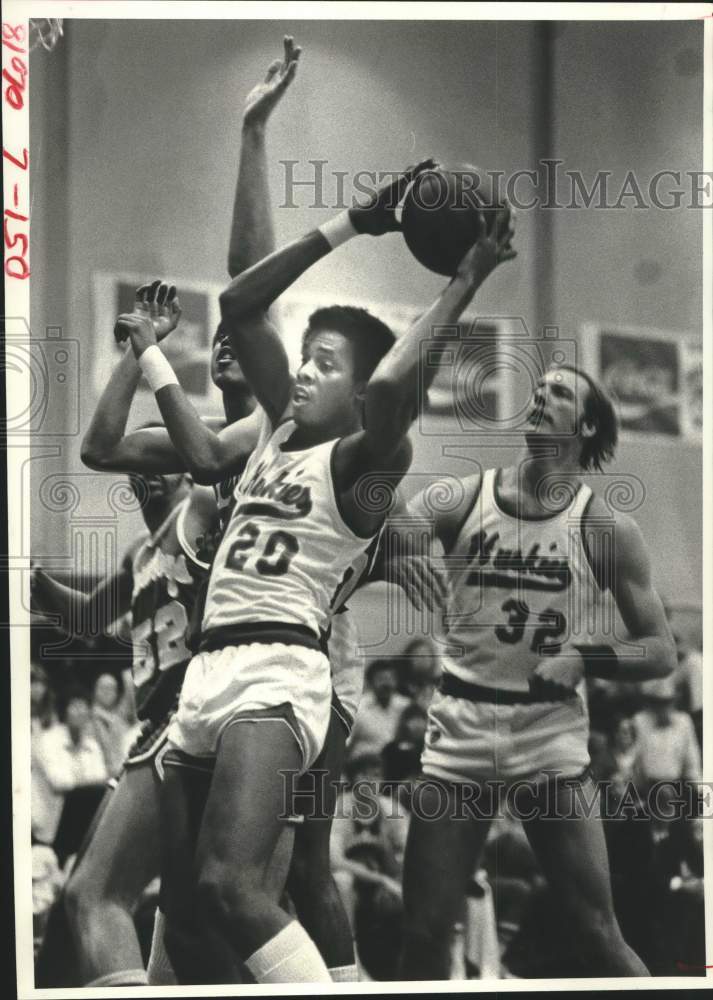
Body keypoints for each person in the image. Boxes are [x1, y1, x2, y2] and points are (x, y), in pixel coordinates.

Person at [115, 108, 516, 978]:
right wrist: (348, 222)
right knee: (183, 919)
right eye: (305, 357)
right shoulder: (266, 434)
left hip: (285, 667)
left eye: (324, 363)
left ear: (352, 392)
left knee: (253, 882)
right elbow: (238, 299)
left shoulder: (361, 462)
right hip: (208, 671)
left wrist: (464, 283)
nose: (301, 369)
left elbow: (389, 392)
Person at [397, 362, 676, 979]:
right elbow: (384, 535)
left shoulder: (605, 526)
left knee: (597, 934)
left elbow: (660, 650)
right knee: (420, 934)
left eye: (559, 393)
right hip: (460, 727)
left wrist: (586, 655)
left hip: (547, 734)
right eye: (538, 388)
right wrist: (392, 546)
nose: (540, 397)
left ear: (587, 422)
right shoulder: (464, 494)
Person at [31, 460, 205, 987]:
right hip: (161, 728)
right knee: (188, 912)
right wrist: (32, 577)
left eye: (157, 461)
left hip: (185, 718)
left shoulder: (200, 516)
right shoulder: (141, 551)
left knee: (92, 893)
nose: (142, 472)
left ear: (185, 472)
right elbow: (85, 619)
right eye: (137, 466)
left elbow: (236, 442)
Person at [32, 688, 108, 857]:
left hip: (83, 823)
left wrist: (85, 782)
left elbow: (101, 779)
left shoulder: (92, 745)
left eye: (84, 707)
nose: (80, 712)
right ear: (64, 710)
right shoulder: (47, 740)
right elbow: (59, 781)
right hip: (52, 826)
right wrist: (87, 782)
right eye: (75, 706)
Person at [348, 659, 411, 760]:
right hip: (364, 765)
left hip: (396, 764)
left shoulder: (406, 706)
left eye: (390, 678)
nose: (386, 683)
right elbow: (345, 744)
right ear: (370, 682)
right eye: (381, 679)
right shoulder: (358, 708)